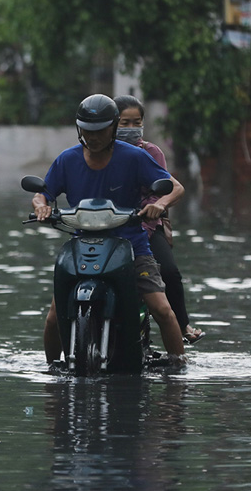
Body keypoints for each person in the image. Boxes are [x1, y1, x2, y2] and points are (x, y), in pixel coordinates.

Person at [31, 93, 187, 368]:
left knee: (163, 310)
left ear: (113, 128)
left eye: (100, 131)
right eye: (87, 131)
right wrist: (41, 206)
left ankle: (178, 370)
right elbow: (43, 193)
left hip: (132, 245)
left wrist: (160, 204)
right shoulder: (67, 160)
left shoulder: (135, 157)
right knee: (54, 316)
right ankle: (52, 371)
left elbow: (174, 187)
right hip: (81, 245)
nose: (93, 137)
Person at [114, 94, 205, 345]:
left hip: (144, 226)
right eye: (124, 123)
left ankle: (182, 324)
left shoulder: (151, 152)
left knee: (169, 272)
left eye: (136, 122)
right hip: (107, 226)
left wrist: (157, 206)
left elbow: (169, 188)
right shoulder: (101, 152)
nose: (131, 129)